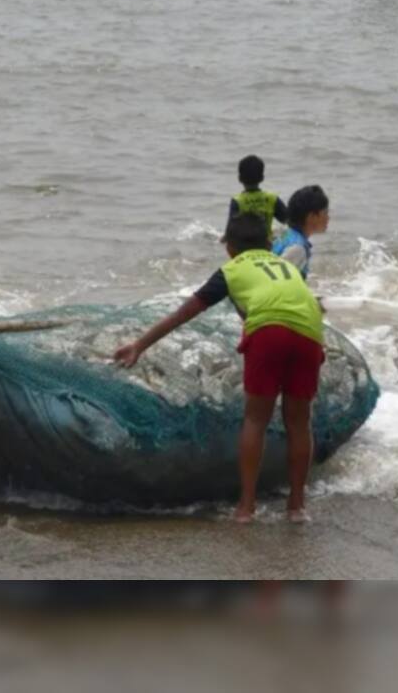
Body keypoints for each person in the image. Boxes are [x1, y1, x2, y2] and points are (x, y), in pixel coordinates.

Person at [115, 214, 325, 523]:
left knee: (256, 419)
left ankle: (246, 508)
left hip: (269, 331)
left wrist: (139, 345)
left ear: (229, 249)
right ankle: (296, 508)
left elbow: (182, 313)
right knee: (298, 420)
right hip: (310, 331)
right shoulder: (284, 265)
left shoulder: (231, 270)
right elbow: (298, 303)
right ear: (269, 243)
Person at [225, 155, 287, 243]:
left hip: (244, 247)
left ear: (239, 178)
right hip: (267, 245)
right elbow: (289, 221)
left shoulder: (237, 201)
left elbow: (230, 231)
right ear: (262, 178)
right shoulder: (272, 198)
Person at [272, 185, 329, 279]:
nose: (328, 218)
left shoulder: (286, 234)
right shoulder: (297, 249)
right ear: (312, 217)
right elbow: (276, 280)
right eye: (325, 213)